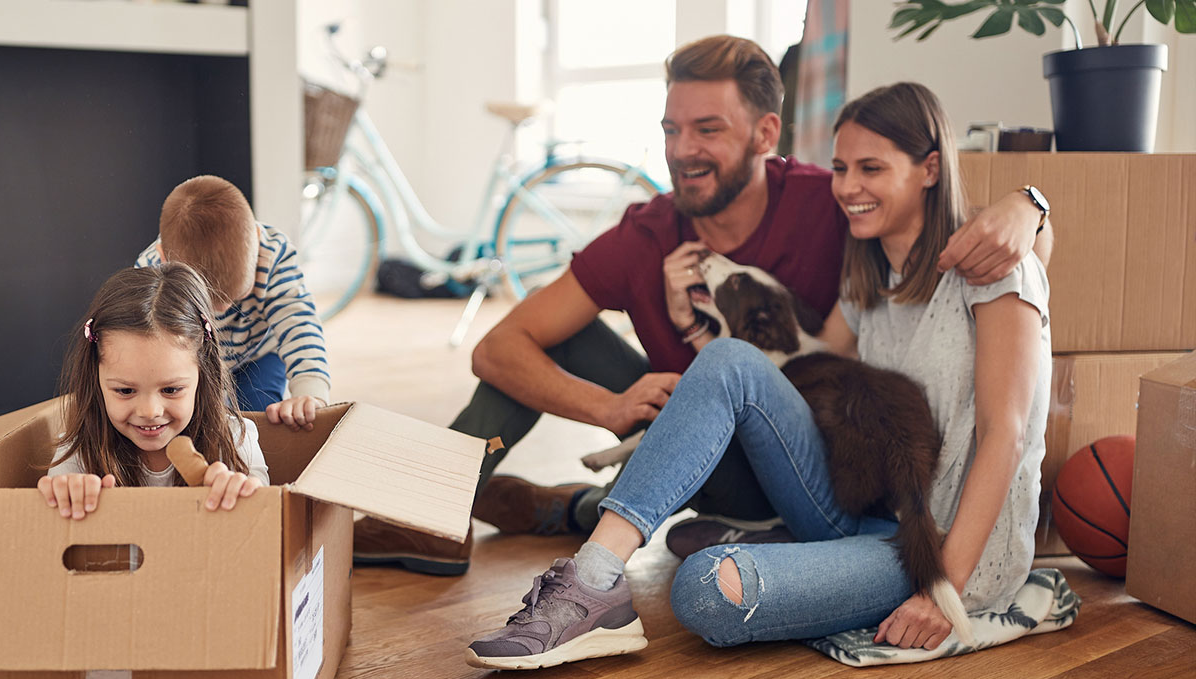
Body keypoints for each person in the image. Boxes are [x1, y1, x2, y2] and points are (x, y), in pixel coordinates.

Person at [351, 35, 1052, 576]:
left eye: (708, 129)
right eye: (670, 129)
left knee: (717, 388)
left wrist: (1032, 209)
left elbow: (945, 218)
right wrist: (608, 405)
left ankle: (575, 510)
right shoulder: (645, 232)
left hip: (804, 466)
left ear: (765, 135)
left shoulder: (833, 201)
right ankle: (427, 512)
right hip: (688, 447)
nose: (682, 151)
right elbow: (495, 347)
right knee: (552, 342)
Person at [466, 81, 1053, 669]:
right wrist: (694, 327)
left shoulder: (998, 268)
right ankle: (594, 577)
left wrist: (938, 591)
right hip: (853, 511)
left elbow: (1008, 434)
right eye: (841, 168)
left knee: (702, 590)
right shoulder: (865, 285)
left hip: (936, 552)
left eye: (871, 168)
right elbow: (792, 376)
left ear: (930, 169)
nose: (847, 188)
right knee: (729, 361)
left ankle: (750, 542)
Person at [39, 263, 270, 520]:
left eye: (171, 389)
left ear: (202, 376)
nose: (150, 412)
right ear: (96, 379)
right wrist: (66, 495)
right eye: (125, 390)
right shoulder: (77, 456)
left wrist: (243, 493)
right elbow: (54, 529)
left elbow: (267, 512)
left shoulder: (236, 440)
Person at [136, 175, 331, 431]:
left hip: (257, 353)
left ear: (257, 244)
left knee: (263, 420)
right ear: (165, 260)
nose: (222, 310)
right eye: (207, 301)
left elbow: (298, 323)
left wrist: (310, 391)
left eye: (237, 295)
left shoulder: (274, 254)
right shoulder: (151, 272)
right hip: (193, 361)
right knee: (191, 423)